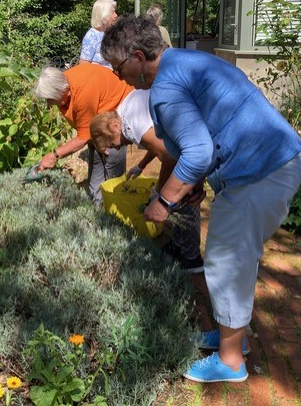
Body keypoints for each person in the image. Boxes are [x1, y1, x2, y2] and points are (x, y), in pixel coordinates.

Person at [101, 14, 301, 383]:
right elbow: (204, 133)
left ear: (136, 56)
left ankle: (230, 361)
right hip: (275, 158)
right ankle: (231, 337)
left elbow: (197, 153)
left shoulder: (165, 86)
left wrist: (162, 202)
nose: (119, 77)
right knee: (231, 259)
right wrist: (194, 184)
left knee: (227, 262)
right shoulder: (187, 62)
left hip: (261, 171)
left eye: (118, 68)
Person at [90, 90, 214, 331]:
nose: (116, 147)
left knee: (188, 249)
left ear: (115, 125)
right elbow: (161, 139)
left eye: (110, 142)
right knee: (175, 243)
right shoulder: (129, 109)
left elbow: (168, 155)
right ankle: (189, 288)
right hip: (190, 162)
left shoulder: (129, 127)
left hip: (187, 171)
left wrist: (160, 196)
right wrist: (141, 165)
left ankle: (209, 314)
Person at [33, 62, 133, 206]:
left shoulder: (83, 91)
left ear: (64, 91)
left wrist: (54, 155)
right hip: (98, 123)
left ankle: (117, 212)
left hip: (115, 117)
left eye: (50, 99)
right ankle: (97, 207)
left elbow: (83, 137)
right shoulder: (63, 82)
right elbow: (86, 131)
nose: (49, 104)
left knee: (113, 171)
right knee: (97, 167)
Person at [79, 0, 118, 69]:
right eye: (113, 12)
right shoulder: (92, 35)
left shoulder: (108, 33)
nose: (116, 15)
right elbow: (83, 66)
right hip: (97, 78)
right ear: (104, 14)